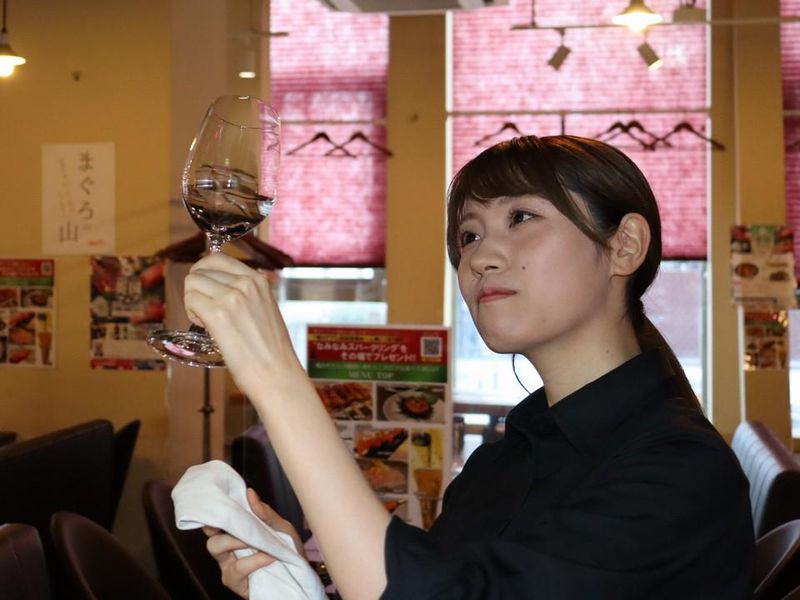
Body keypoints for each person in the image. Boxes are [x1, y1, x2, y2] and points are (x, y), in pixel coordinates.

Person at [185, 135, 755, 599]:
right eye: (469, 235)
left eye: (522, 216)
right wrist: (304, 574)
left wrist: (276, 377)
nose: (480, 256)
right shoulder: (503, 460)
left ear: (625, 245)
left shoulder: (680, 472)